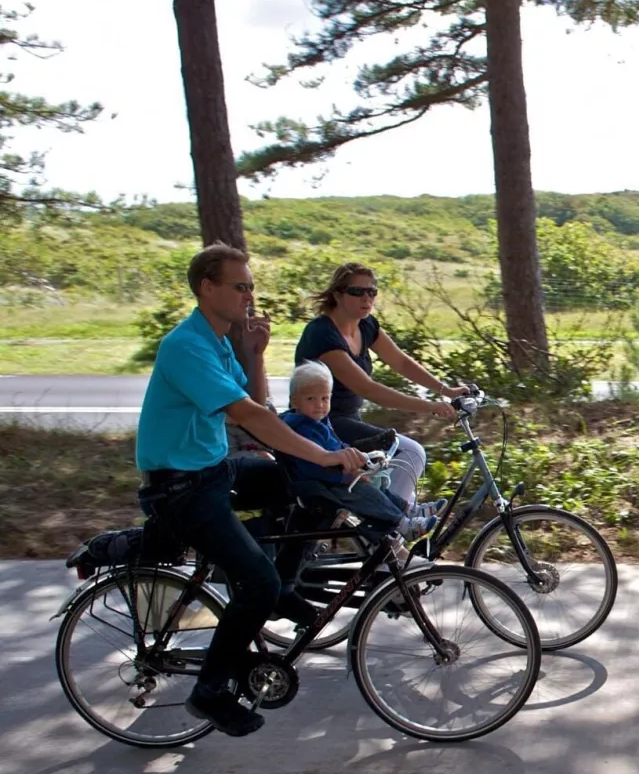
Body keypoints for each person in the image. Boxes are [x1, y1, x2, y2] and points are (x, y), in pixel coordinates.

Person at [136, 242, 366, 738]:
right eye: (239, 285)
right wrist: (323, 453)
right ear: (207, 287)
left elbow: (255, 400)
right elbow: (248, 416)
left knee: (296, 484)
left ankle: (282, 583)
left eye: (251, 285)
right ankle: (211, 690)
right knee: (256, 580)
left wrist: (257, 355)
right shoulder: (186, 346)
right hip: (182, 489)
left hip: (212, 469)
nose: (249, 294)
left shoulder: (216, 339)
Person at [294, 262, 467, 509]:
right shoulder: (322, 333)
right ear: (338, 295)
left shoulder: (365, 325)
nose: (367, 298)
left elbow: (401, 362)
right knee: (409, 453)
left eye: (372, 292)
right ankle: (395, 529)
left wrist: (446, 390)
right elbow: (367, 388)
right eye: (357, 292)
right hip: (321, 423)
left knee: (388, 476)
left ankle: (390, 528)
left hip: (349, 419)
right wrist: (430, 406)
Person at [277, 360, 442, 540]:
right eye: (311, 399)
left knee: (377, 486)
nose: (320, 405)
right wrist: (346, 475)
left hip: (333, 477)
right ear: (295, 401)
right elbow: (311, 466)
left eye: (325, 398)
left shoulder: (318, 422)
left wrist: (356, 458)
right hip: (322, 485)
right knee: (367, 493)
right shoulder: (301, 428)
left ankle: (410, 509)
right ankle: (404, 526)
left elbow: (336, 446)